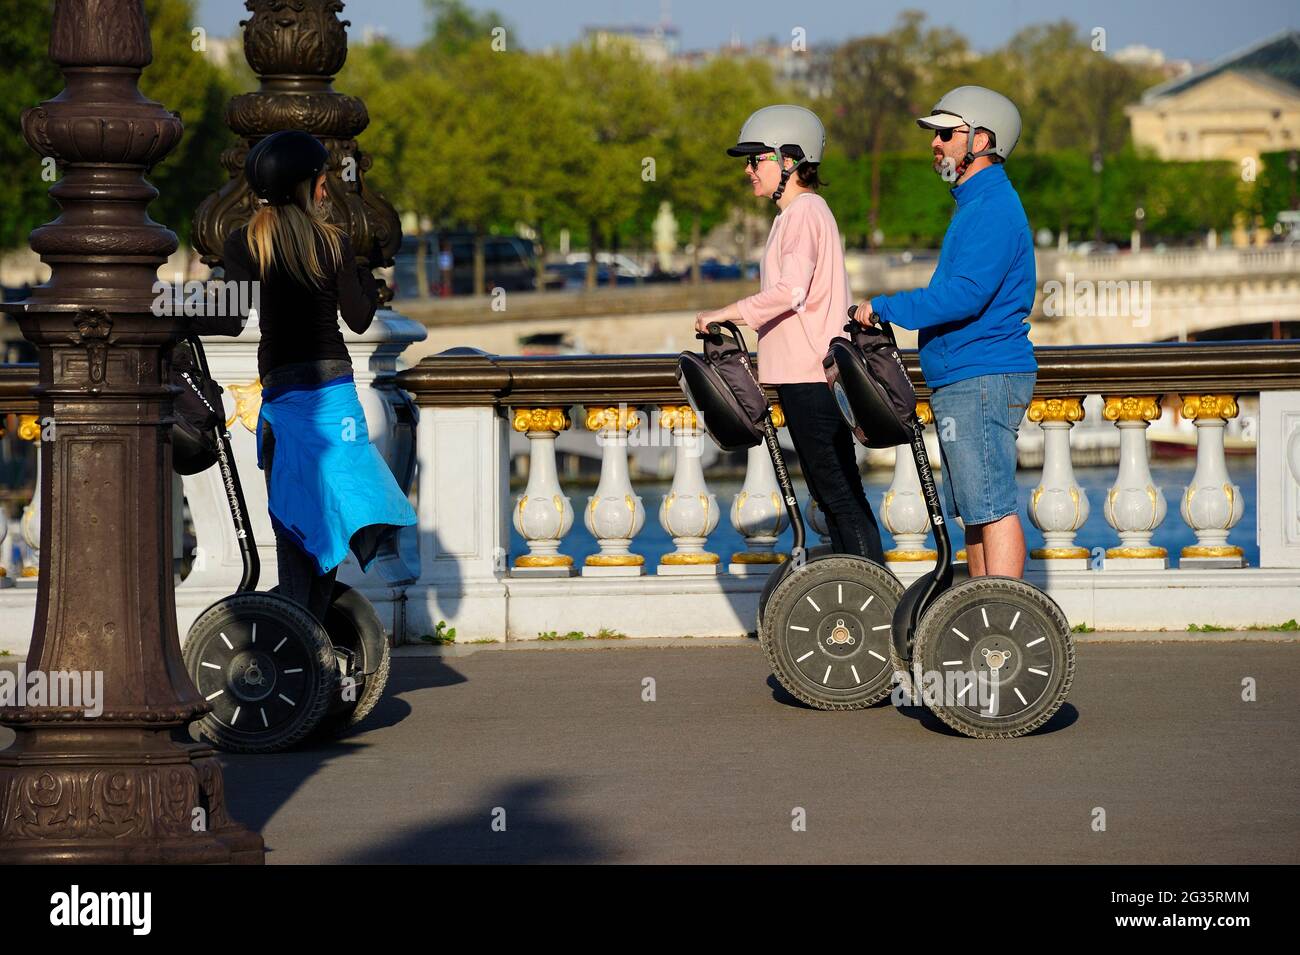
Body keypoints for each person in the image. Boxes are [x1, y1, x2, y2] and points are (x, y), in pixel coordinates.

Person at [191, 129, 417, 624]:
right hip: (335, 395)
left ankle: (300, 637)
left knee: (294, 519)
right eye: (319, 180)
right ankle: (309, 634)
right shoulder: (332, 242)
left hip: (285, 395)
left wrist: (169, 318)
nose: (323, 190)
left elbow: (229, 319)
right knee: (333, 514)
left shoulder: (244, 241)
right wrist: (357, 268)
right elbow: (358, 319)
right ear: (303, 185)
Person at [855, 86, 1037, 578]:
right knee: (975, 512)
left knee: (992, 507)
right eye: (935, 134)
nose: (935, 143)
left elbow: (966, 294)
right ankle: (981, 612)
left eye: (946, 133)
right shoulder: (976, 203)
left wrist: (886, 306)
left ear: (983, 138)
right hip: (966, 376)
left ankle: (1000, 620)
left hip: (981, 374)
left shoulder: (992, 206)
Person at [695, 105, 885, 564]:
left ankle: (871, 596)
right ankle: (863, 592)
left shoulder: (802, 213)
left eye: (755, 159)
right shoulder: (796, 214)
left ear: (788, 160)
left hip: (810, 377)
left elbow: (790, 291)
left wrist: (725, 313)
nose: (747, 170)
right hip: (810, 374)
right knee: (836, 491)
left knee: (836, 492)